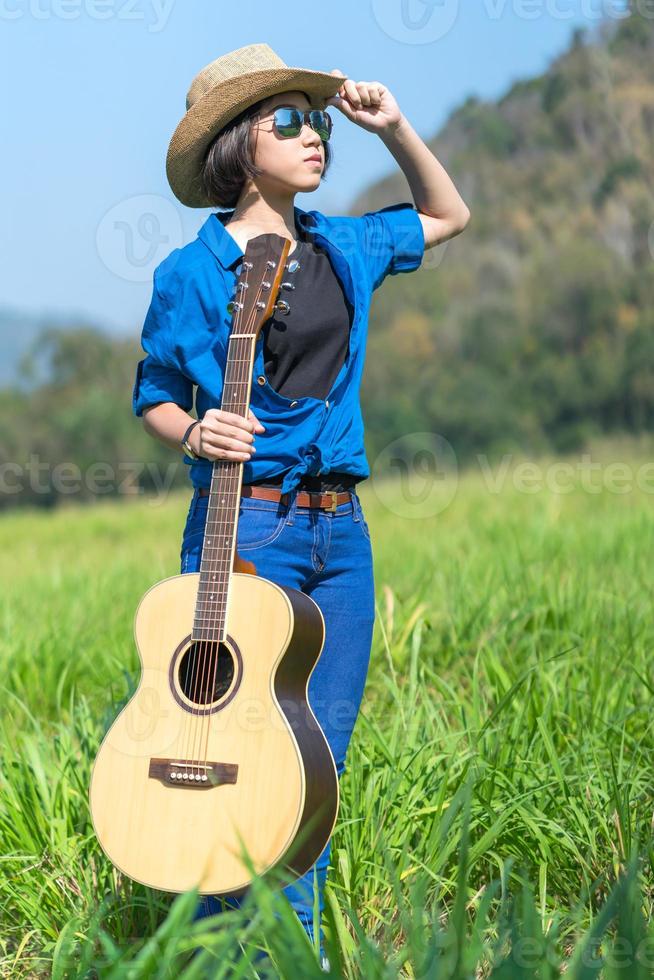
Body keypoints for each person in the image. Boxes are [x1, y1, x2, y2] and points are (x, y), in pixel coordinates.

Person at [133, 41, 470, 969]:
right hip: (248, 526)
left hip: (341, 534)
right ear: (242, 144)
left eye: (318, 120)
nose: (316, 135)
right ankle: (211, 945)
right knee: (236, 749)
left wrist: (393, 127)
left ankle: (294, 953)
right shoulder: (192, 273)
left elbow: (450, 213)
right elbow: (154, 391)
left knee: (315, 765)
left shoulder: (347, 243)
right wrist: (194, 434)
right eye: (291, 121)